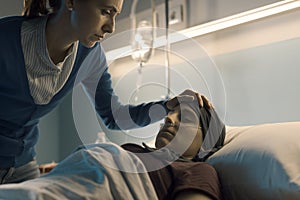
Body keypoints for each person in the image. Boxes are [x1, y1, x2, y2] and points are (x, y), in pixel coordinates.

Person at [0, 0, 210, 184]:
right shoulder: (5, 39)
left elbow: (114, 116)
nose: (111, 27)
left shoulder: (90, 56)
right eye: (105, 12)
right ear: (71, 1)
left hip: (22, 166)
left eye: (115, 15)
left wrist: (168, 106)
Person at [122, 92, 226, 200]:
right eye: (170, 113)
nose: (168, 118)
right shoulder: (136, 150)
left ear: (206, 143)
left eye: (185, 118)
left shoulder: (198, 171)